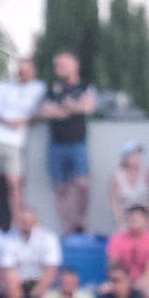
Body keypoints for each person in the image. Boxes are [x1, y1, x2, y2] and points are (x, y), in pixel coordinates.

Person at [0, 56, 46, 224]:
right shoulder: (4, 86)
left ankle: (17, 223)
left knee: (15, 183)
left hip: (14, 143)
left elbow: (41, 111)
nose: (21, 74)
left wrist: (23, 120)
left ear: (33, 72)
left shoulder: (39, 88)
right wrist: (9, 121)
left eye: (25, 71)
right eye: (20, 71)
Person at [40, 51, 98, 234]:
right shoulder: (52, 89)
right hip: (56, 145)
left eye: (62, 64)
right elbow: (46, 112)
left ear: (74, 66)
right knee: (61, 189)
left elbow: (88, 107)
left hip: (77, 144)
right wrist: (73, 106)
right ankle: (69, 228)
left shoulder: (85, 87)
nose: (58, 68)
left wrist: (64, 106)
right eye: (56, 65)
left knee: (82, 184)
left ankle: (80, 220)